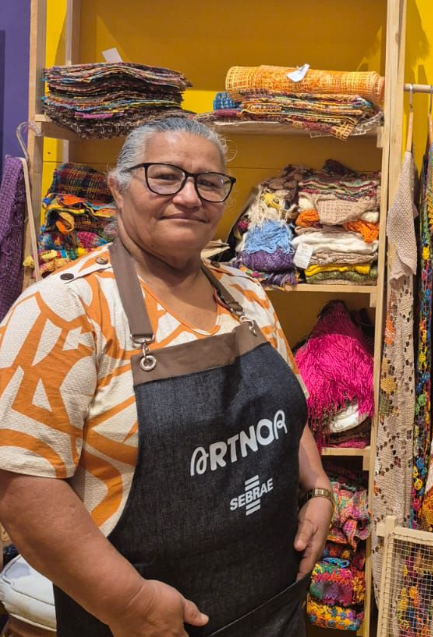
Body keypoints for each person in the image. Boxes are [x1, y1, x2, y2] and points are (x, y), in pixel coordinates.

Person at [0, 117, 333, 637]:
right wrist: (131, 603)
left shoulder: (246, 293)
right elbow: (22, 487)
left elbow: (286, 409)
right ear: (118, 187)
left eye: (208, 182)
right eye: (165, 176)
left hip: (274, 606)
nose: (189, 196)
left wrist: (318, 487)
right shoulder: (65, 308)